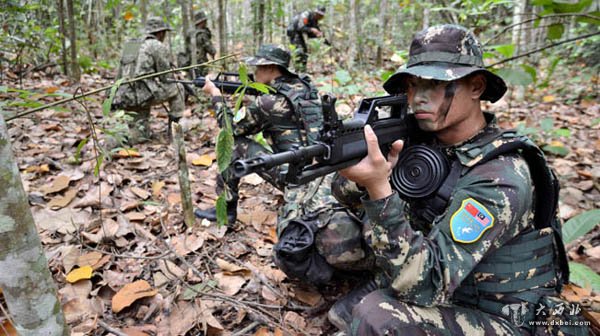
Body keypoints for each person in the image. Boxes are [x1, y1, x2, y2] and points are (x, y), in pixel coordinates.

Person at [327, 25, 587, 335]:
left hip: (503, 314)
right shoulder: (427, 138)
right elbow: (344, 195)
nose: (419, 98)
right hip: (447, 276)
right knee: (331, 232)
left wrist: (379, 187)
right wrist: (365, 172)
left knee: (377, 316)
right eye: (412, 84)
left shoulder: (502, 175)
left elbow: (422, 286)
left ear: (476, 87)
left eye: (436, 84)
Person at [195, 45, 371, 282]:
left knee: (234, 143)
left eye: (258, 67)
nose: (255, 72)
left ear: (270, 68)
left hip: (295, 173)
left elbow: (229, 126)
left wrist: (215, 94)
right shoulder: (307, 88)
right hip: (324, 169)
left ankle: (226, 210)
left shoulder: (269, 102)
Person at [112, 17, 185, 144]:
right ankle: (175, 131)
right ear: (160, 33)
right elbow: (166, 78)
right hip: (142, 96)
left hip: (125, 96)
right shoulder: (156, 45)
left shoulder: (131, 44)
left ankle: (114, 140)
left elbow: (119, 74)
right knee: (179, 88)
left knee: (140, 135)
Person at [286, 6, 326, 73]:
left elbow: (311, 34)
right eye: (319, 15)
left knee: (304, 52)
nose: (320, 17)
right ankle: (297, 71)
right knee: (299, 51)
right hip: (293, 31)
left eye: (321, 16)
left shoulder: (314, 21)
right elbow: (300, 27)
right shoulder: (306, 15)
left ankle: (302, 71)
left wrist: (319, 35)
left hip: (299, 33)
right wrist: (312, 30)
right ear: (316, 13)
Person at [178, 10, 216, 78]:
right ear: (202, 21)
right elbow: (211, 50)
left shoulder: (190, 33)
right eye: (205, 21)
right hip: (201, 65)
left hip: (190, 65)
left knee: (193, 83)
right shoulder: (202, 34)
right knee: (202, 84)